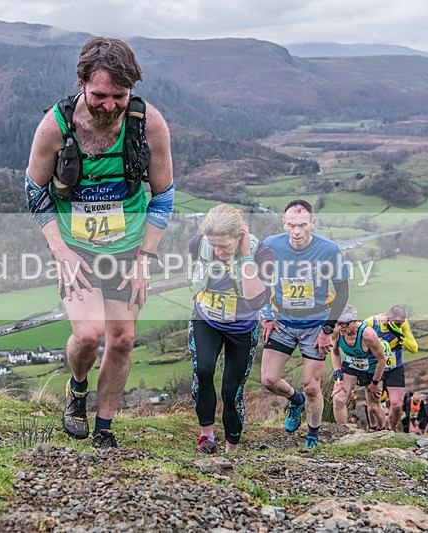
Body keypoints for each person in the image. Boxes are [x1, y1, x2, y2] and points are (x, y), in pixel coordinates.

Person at [25, 37, 174, 448]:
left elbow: (163, 196)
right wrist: (61, 251)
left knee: (123, 338)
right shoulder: (56, 126)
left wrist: (146, 257)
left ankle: (104, 427)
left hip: (128, 248)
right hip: (78, 248)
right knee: (89, 334)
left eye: (120, 96)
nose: (110, 106)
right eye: (100, 96)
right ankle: (77, 390)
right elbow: (34, 191)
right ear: (81, 83)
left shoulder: (149, 124)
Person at [260, 199, 350, 448]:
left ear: (313, 223)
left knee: (312, 385)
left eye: (302, 225)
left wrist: (327, 330)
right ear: (284, 224)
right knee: (268, 380)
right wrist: (266, 315)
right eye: (291, 225)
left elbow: (342, 293)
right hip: (283, 322)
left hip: (315, 324)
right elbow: (261, 282)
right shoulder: (271, 245)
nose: (296, 232)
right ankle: (294, 400)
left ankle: (312, 434)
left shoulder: (330, 250)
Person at [188, 205, 274, 454]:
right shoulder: (198, 243)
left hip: (242, 328)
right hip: (206, 320)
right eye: (213, 245)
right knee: (202, 372)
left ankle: (231, 450)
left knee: (230, 391)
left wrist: (245, 256)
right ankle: (207, 437)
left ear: (240, 236)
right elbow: (197, 268)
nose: (218, 251)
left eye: (224, 246)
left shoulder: (262, 254)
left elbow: (257, 300)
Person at [330, 304, 388, 431]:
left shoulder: (368, 335)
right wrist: (337, 375)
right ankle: (343, 432)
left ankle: (384, 432)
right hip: (351, 365)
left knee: (373, 407)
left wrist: (375, 382)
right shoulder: (336, 331)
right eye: (338, 323)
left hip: (372, 368)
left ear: (354, 322)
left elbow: (382, 360)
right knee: (338, 399)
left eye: (344, 324)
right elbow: (334, 352)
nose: (340, 327)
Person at [363, 305, 418, 431]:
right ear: (388, 318)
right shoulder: (371, 323)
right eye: (397, 324)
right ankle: (374, 428)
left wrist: (399, 336)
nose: (400, 326)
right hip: (375, 367)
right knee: (373, 404)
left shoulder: (403, 326)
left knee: (398, 405)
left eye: (401, 324)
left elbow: (414, 348)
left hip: (395, 367)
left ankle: (391, 430)